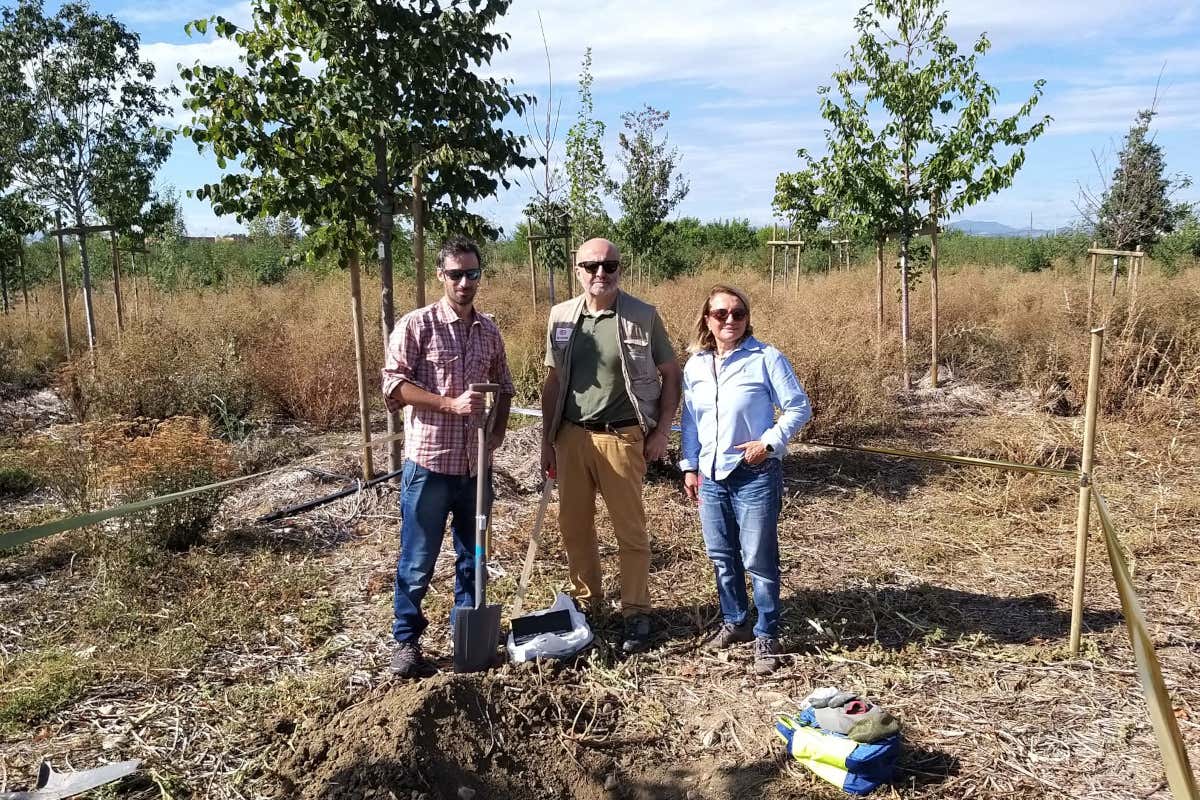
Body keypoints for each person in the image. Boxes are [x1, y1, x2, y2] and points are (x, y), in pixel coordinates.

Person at [381, 236, 515, 677]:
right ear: (441, 276)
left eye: (472, 274)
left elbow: (505, 387)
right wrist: (449, 404)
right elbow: (394, 388)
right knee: (417, 560)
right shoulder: (417, 326)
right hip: (430, 466)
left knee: (472, 555)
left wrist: (496, 433)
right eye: (455, 274)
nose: (464, 282)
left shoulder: (489, 330)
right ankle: (406, 640)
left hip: (476, 468)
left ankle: (467, 636)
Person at [540, 238, 681, 654]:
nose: (601, 273)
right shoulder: (561, 316)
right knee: (574, 526)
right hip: (571, 437)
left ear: (620, 269)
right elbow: (553, 382)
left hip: (621, 437)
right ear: (577, 269)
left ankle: (636, 612)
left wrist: (661, 432)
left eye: (610, 266)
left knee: (629, 530)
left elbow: (671, 374)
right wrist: (548, 441)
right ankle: (588, 605)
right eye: (592, 266)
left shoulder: (642, 315)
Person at [679, 284, 811, 675]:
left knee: (758, 558)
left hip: (754, 473)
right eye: (721, 314)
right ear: (707, 319)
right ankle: (735, 620)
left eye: (738, 313)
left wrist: (769, 442)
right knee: (721, 555)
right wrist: (689, 465)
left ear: (747, 318)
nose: (730, 320)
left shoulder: (766, 357)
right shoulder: (696, 365)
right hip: (712, 473)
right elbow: (690, 420)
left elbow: (797, 406)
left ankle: (767, 630)